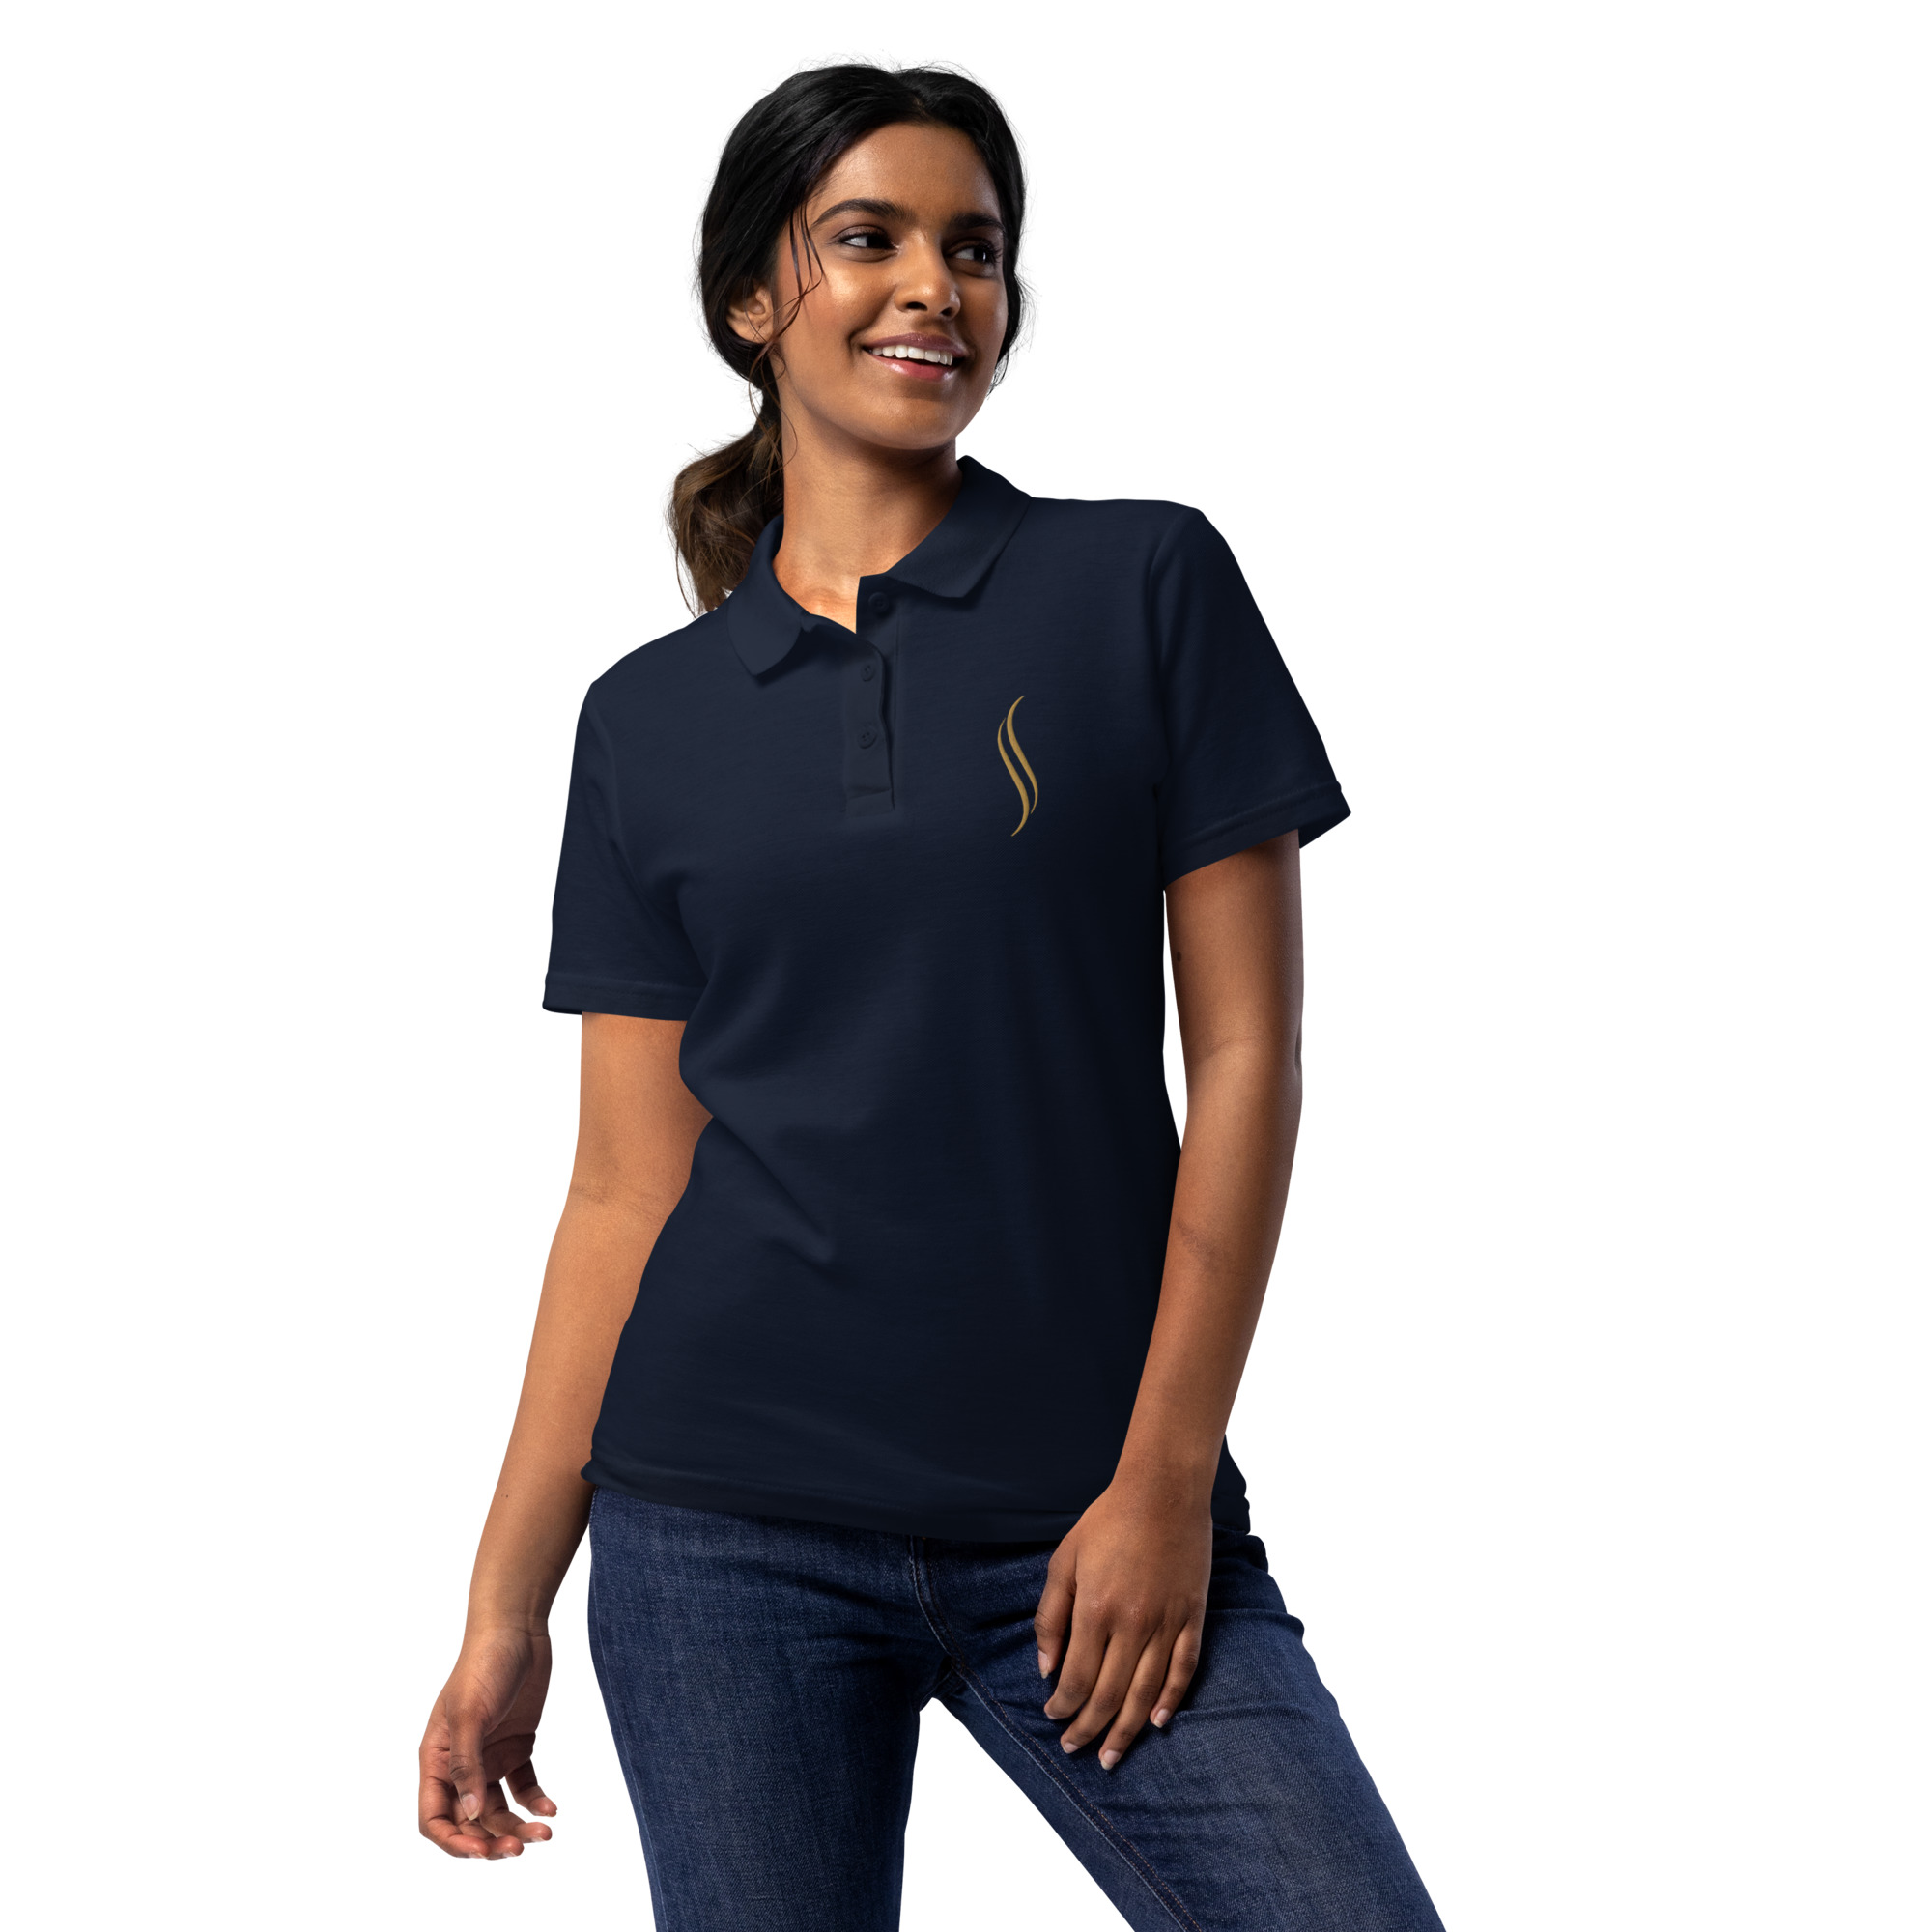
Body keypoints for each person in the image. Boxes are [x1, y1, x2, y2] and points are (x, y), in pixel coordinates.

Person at [416, 61, 1446, 1932]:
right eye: (867, 239)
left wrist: (1162, 1482)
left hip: (1088, 1509)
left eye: (973, 249)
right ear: (755, 298)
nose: (934, 288)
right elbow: (624, 1192)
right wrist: (506, 1604)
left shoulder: (1141, 582)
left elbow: (1246, 1059)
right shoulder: (646, 720)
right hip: (719, 1530)